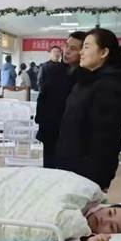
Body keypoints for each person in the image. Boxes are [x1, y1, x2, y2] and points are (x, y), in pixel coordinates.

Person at [55, 28, 121, 190]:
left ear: (104, 52)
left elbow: (105, 139)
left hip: (88, 172)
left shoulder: (108, 85)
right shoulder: (84, 80)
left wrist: (96, 176)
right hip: (70, 164)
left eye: (86, 47)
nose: (81, 52)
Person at [35, 32, 86, 169]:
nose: (66, 51)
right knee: (50, 169)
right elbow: (43, 98)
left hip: (74, 135)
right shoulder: (54, 71)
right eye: (66, 46)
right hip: (51, 130)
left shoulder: (86, 78)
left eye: (73, 48)